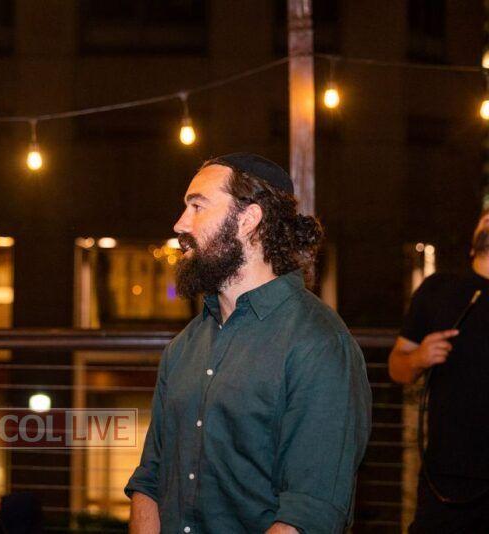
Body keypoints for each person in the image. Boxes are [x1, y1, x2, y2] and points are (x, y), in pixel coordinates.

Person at [125, 154, 372, 533]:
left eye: (197, 206)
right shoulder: (183, 347)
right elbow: (149, 479)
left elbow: (309, 511)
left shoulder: (319, 342)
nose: (180, 224)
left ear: (248, 219)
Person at [388, 209, 489, 532]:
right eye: (485, 217)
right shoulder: (439, 290)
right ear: (472, 246)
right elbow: (397, 368)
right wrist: (419, 357)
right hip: (446, 475)